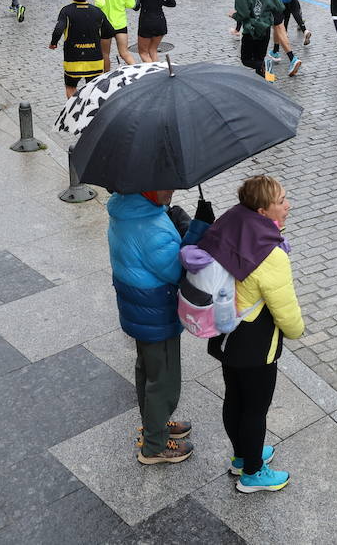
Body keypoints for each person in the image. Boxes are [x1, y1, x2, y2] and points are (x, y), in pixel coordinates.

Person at [194, 175, 304, 492]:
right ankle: (253, 474)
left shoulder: (230, 224)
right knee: (255, 409)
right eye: (281, 201)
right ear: (262, 211)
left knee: (235, 398)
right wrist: (298, 330)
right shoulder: (271, 255)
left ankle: (242, 456)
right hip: (255, 344)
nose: (288, 205)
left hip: (226, 333)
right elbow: (287, 314)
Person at [106, 189, 209, 465]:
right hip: (156, 313)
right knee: (163, 379)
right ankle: (155, 444)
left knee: (147, 370)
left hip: (137, 308)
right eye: (165, 186)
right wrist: (197, 230)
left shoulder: (125, 207)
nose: (172, 190)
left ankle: (156, 425)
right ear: (149, 188)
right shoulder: (151, 228)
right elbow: (179, 270)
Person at [50, 0, 115, 97]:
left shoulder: (66, 11)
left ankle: (74, 111)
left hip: (73, 59)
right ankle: (89, 110)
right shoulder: (97, 12)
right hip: (94, 59)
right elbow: (109, 31)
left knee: (71, 87)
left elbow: (59, 29)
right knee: (93, 89)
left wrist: (53, 43)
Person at [232, 0, 285, 81]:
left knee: (246, 60)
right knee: (260, 58)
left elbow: (243, 14)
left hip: (250, 30)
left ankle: (266, 68)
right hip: (265, 29)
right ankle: (268, 81)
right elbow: (280, 6)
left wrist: (234, 15)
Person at [92, 0, 137, 68]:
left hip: (105, 25)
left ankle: (105, 78)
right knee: (124, 53)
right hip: (120, 23)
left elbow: (100, 4)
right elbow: (131, 4)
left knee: (105, 54)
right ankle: (137, 72)